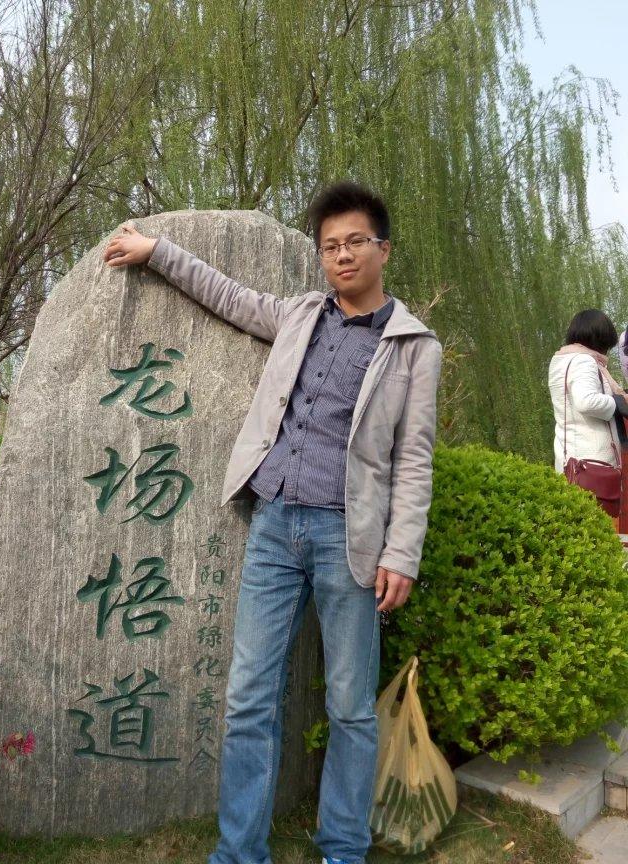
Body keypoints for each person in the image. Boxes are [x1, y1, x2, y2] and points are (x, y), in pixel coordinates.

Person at [103, 181, 442, 864]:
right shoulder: (301, 315)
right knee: (248, 697)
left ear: (383, 249)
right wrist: (157, 251)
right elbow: (228, 295)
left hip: (349, 539)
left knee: (350, 706)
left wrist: (401, 552)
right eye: (330, 246)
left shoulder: (413, 346)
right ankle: (239, 852)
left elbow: (413, 458)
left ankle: (342, 847)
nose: (342, 255)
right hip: (274, 526)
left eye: (355, 242)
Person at [548, 310, 628, 507]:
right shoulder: (584, 361)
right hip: (592, 463)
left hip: (572, 459)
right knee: (598, 519)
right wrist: (617, 402)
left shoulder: (561, 361)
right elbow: (586, 401)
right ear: (599, 338)